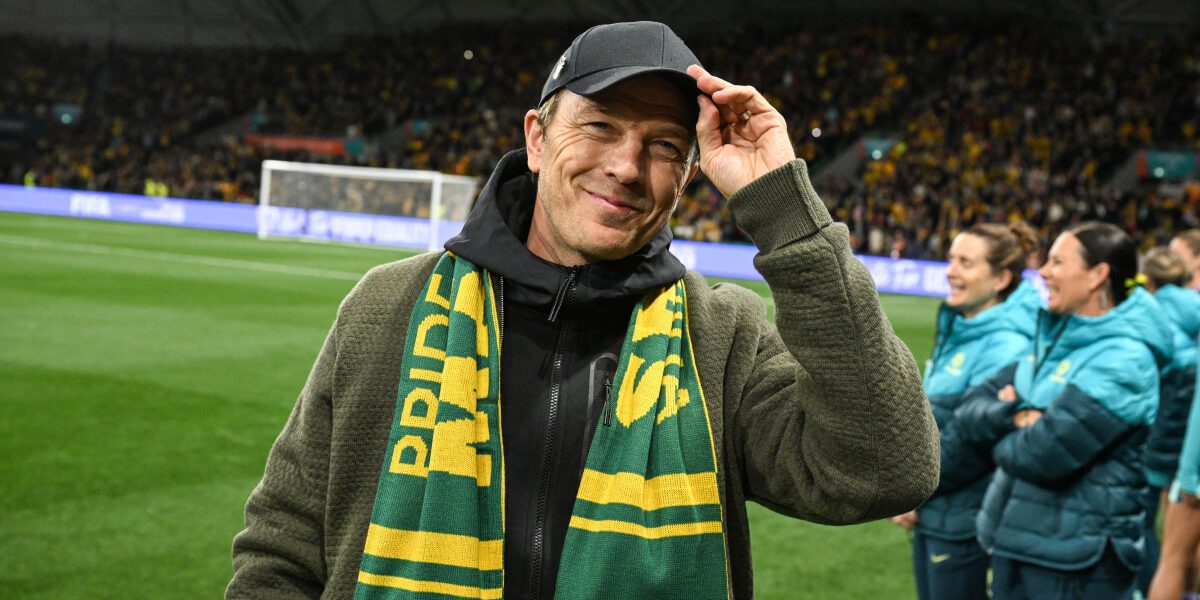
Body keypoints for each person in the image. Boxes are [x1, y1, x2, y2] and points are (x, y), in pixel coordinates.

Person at [225, 21, 939, 600]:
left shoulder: (722, 338)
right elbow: (283, 546)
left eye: (663, 147)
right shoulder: (390, 306)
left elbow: (886, 466)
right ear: (537, 137)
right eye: (599, 126)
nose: (627, 167)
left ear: (689, 178)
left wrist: (783, 206)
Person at [956, 222, 1173, 598]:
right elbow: (968, 411)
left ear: (1098, 275)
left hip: (1078, 559)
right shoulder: (1057, 337)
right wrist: (1020, 417)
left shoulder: (1126, 358)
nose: (1043, 272)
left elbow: (1040, 454)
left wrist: (1002, 424)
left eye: (1057, 262)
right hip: (1022, 541)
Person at [890, 222, 1040, 600]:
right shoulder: (965, 327)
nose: (951, 271)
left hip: (966, 516)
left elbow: (971, 438)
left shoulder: (1006, 343)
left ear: (1001, 278)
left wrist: (914, 492)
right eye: (951, 259)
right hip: (941, 508)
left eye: (966, 263)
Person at [1140, 248, 1200, 594]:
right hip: (1187, 419)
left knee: (1148, 522)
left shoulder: (1153, 308)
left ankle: (1145, 583)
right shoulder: (1193, 304)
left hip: (1168, 414)